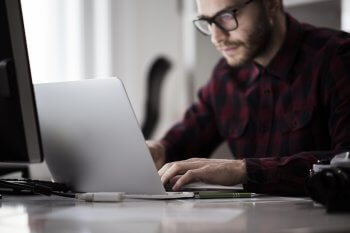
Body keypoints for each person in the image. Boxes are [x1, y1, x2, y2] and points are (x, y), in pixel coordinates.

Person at [147, 0, 350, 196]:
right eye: (208, 22)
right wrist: (159, 151)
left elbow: (346, 162)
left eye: (227, 15)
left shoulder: (339, 58)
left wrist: (244, 170)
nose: (216, 37)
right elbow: (184, 140)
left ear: (271, 3)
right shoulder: (225, 77)